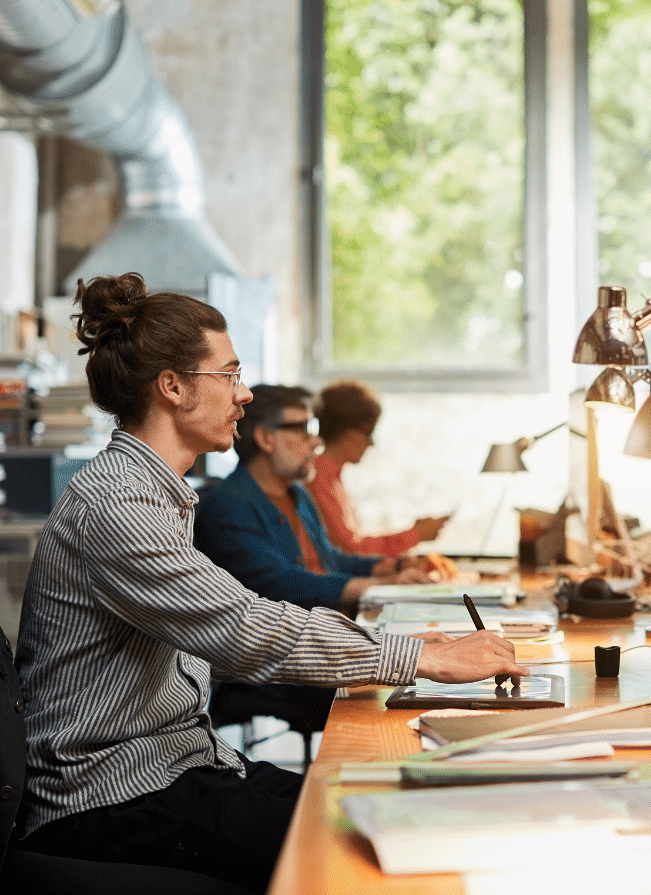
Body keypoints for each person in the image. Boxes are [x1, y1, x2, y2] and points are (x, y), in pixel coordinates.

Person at [12, 273, 526, 894]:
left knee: (383, 794)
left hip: (179, 768)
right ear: (172, 387)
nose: (245, 393)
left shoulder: (157, 494)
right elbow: (246, 627)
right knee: (368, 852)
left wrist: (421, 653)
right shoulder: (120, 505)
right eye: (228, 375)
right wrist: (421, 657)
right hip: (110, 797)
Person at [195, 383, 432, 612]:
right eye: (303, 430)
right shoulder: (226, 506)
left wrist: (393, 566)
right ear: (266, 439)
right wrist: (382, 586)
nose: (317, 442)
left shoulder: (298, 494)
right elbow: (280, 583)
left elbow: (328, 559)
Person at [308, 379, 452, 558]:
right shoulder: (318, 479)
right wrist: (416, 535)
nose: (371, 443)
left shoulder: (331, 477)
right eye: (368, 432)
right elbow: (350, 550)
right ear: (346, 431)